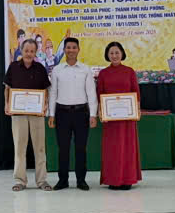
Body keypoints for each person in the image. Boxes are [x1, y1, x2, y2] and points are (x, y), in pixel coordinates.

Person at [47, 36, 97, 191]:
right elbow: (53, 93)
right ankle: (63, 180)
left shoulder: (85, 69)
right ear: (64, 50)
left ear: (78, 50)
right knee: (63, 148)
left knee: (81, 148)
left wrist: (93, 115)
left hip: (82, 113)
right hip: (62, 113)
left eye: (74, 47)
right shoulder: (57, 70)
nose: (71, 50)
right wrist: (51, 114)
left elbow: (91, 93)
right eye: (68, 47)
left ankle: (81, 180)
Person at [4, 38, 52, 192]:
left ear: (35, 52)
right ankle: (20, 181)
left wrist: (45, 104)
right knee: (19, 148)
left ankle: (42, 180)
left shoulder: (40, 68)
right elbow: (7, 88)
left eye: (32, 51)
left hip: (36, 114)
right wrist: (7, 104)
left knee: (40, 148)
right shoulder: (13, 67)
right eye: (26, 51)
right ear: (21, 50)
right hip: (18, 113)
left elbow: (45, 90)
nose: (29, 54)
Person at [97, 42, 142, 191]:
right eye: (111, 53)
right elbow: (100, 94)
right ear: (107, 55)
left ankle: (128, 179)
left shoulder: (129, 71)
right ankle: (112, 179)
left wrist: (137, 109)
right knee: (112, 149)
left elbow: (136, 92)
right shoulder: (103, 73)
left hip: (127, 118)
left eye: (117, 52)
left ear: (122, 54)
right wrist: (100, 111)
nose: (114, 56)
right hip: (110, 119)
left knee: (128, 148)